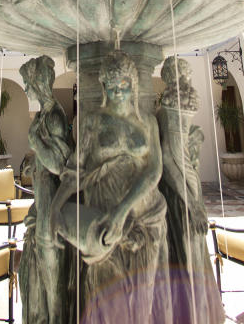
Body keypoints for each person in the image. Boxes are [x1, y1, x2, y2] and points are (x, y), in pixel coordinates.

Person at [51, 50, 171, 323]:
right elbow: (75, 171)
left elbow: (154, 171)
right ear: (103, 87)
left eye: (124, 85)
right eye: (113, 86)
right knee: (106, 296)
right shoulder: (90, 122)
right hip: (102, 220)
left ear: (133, 84)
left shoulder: (147, 122)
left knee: (142, 299)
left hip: (144, 217)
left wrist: (122, 211)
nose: (118, 91)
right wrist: (55, 207)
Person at [157, 56, 225, 323]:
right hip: (181, 184)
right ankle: (194, 311)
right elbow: (169, 154)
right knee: (188, 245)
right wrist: (193, 204)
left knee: (186, 244)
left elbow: (174, 148)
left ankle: (193, 309)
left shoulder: (169, 103)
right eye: (184, 74)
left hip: (178, 183)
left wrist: (192, 135)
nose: (187, 79)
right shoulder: (177, 98)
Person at [18, 56, 74, 324]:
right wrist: (34, 162)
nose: (26, 89)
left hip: (53, 209)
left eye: (28, 84)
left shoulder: (54, 116)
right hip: (41, 206)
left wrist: (35, 145)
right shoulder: (43, 115)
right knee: (35, 277)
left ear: (37, 83)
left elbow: (61, 166)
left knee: (55, 287)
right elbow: (47, 160)